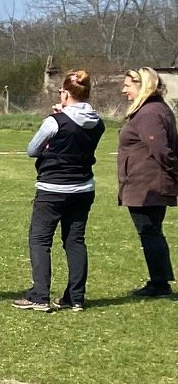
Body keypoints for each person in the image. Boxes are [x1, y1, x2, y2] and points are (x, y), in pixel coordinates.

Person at [15, 69, 103, 312]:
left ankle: (39, 295)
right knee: (75, 240)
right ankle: (76, 297)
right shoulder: (97, 123)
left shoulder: (55, 121)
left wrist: (57, 118)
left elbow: (32, 149)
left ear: (65, 94)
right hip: (83, 187)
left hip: (52, 188)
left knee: (40, 240)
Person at [116, 67, 178, 297]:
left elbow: (161, 149)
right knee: (151, 231)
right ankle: (159, 280)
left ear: (142, 85)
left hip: (147, 185)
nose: (124, 90)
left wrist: (174, 172)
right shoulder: (154, 109)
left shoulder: (149, 113)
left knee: (149, 231)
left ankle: (159, 283)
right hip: (146, 183)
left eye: (128, 85)